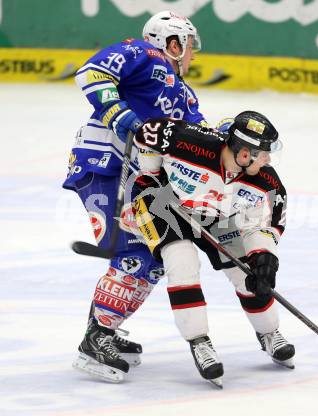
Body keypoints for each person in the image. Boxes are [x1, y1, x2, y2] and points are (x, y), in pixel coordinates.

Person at [64, 11, 207, 383]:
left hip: (141, 180)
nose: (192, 55)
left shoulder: (183, 93)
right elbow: (92, 74)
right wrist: (117, 112)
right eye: (189, 46)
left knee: (159, 256)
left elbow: (199, 140)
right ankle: (95, 339)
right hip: (103, 165)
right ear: (173, 43)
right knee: (133, 253)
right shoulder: (144, 53)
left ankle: (105, 328)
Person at [132, 111, 294, 388]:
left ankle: (268, 332)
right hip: (161, 203)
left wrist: (264, 257)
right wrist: (152, 172)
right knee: (182, 262)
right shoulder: (189, 142)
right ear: (244, 154)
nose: (268, 160)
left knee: (248, 273)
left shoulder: (265, 182)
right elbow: (148, 130)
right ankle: (199, 341)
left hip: (215, 214)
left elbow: (264, 224)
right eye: (263, 153)